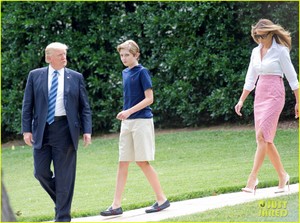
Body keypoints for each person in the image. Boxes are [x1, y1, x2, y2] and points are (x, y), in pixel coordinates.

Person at [22, 42, 92, 222]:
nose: (64, 57)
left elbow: (84, 107)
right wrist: (26, 130)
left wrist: (87, 130)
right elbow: (27, 105)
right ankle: (63, 201)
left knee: (64, 177)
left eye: (65, 54)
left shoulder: (75, 77)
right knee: (40, 172)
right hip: (42, 130)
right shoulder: (35, 75)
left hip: (65, 130)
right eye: (60, 54)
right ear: (49, 57)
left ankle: (63, 216)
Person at [100, 40, 170, 216]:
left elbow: (149, 99)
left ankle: (162, 199)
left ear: (136, 55)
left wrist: (128, 111)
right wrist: (126, 115)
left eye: (127, 55)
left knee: (142, 162)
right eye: (121, 55)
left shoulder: (142, 72)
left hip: (141, 122)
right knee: (122, 162)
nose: (123, 58)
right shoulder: (125, 72)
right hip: (127, 122)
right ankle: (116, 205)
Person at [235, 19, 298, 194]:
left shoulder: (281, 51)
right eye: (257, 36)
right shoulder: (255, 52)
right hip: (260, 95)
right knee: (264, 140)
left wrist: (298, 102)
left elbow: (293, 79)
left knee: (263, 136)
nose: (259, 39)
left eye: (262, 36)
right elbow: (250, 78)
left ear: (270, 33)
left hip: (275, 94)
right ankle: (283, 175)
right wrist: (241, 100)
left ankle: (252, 178)